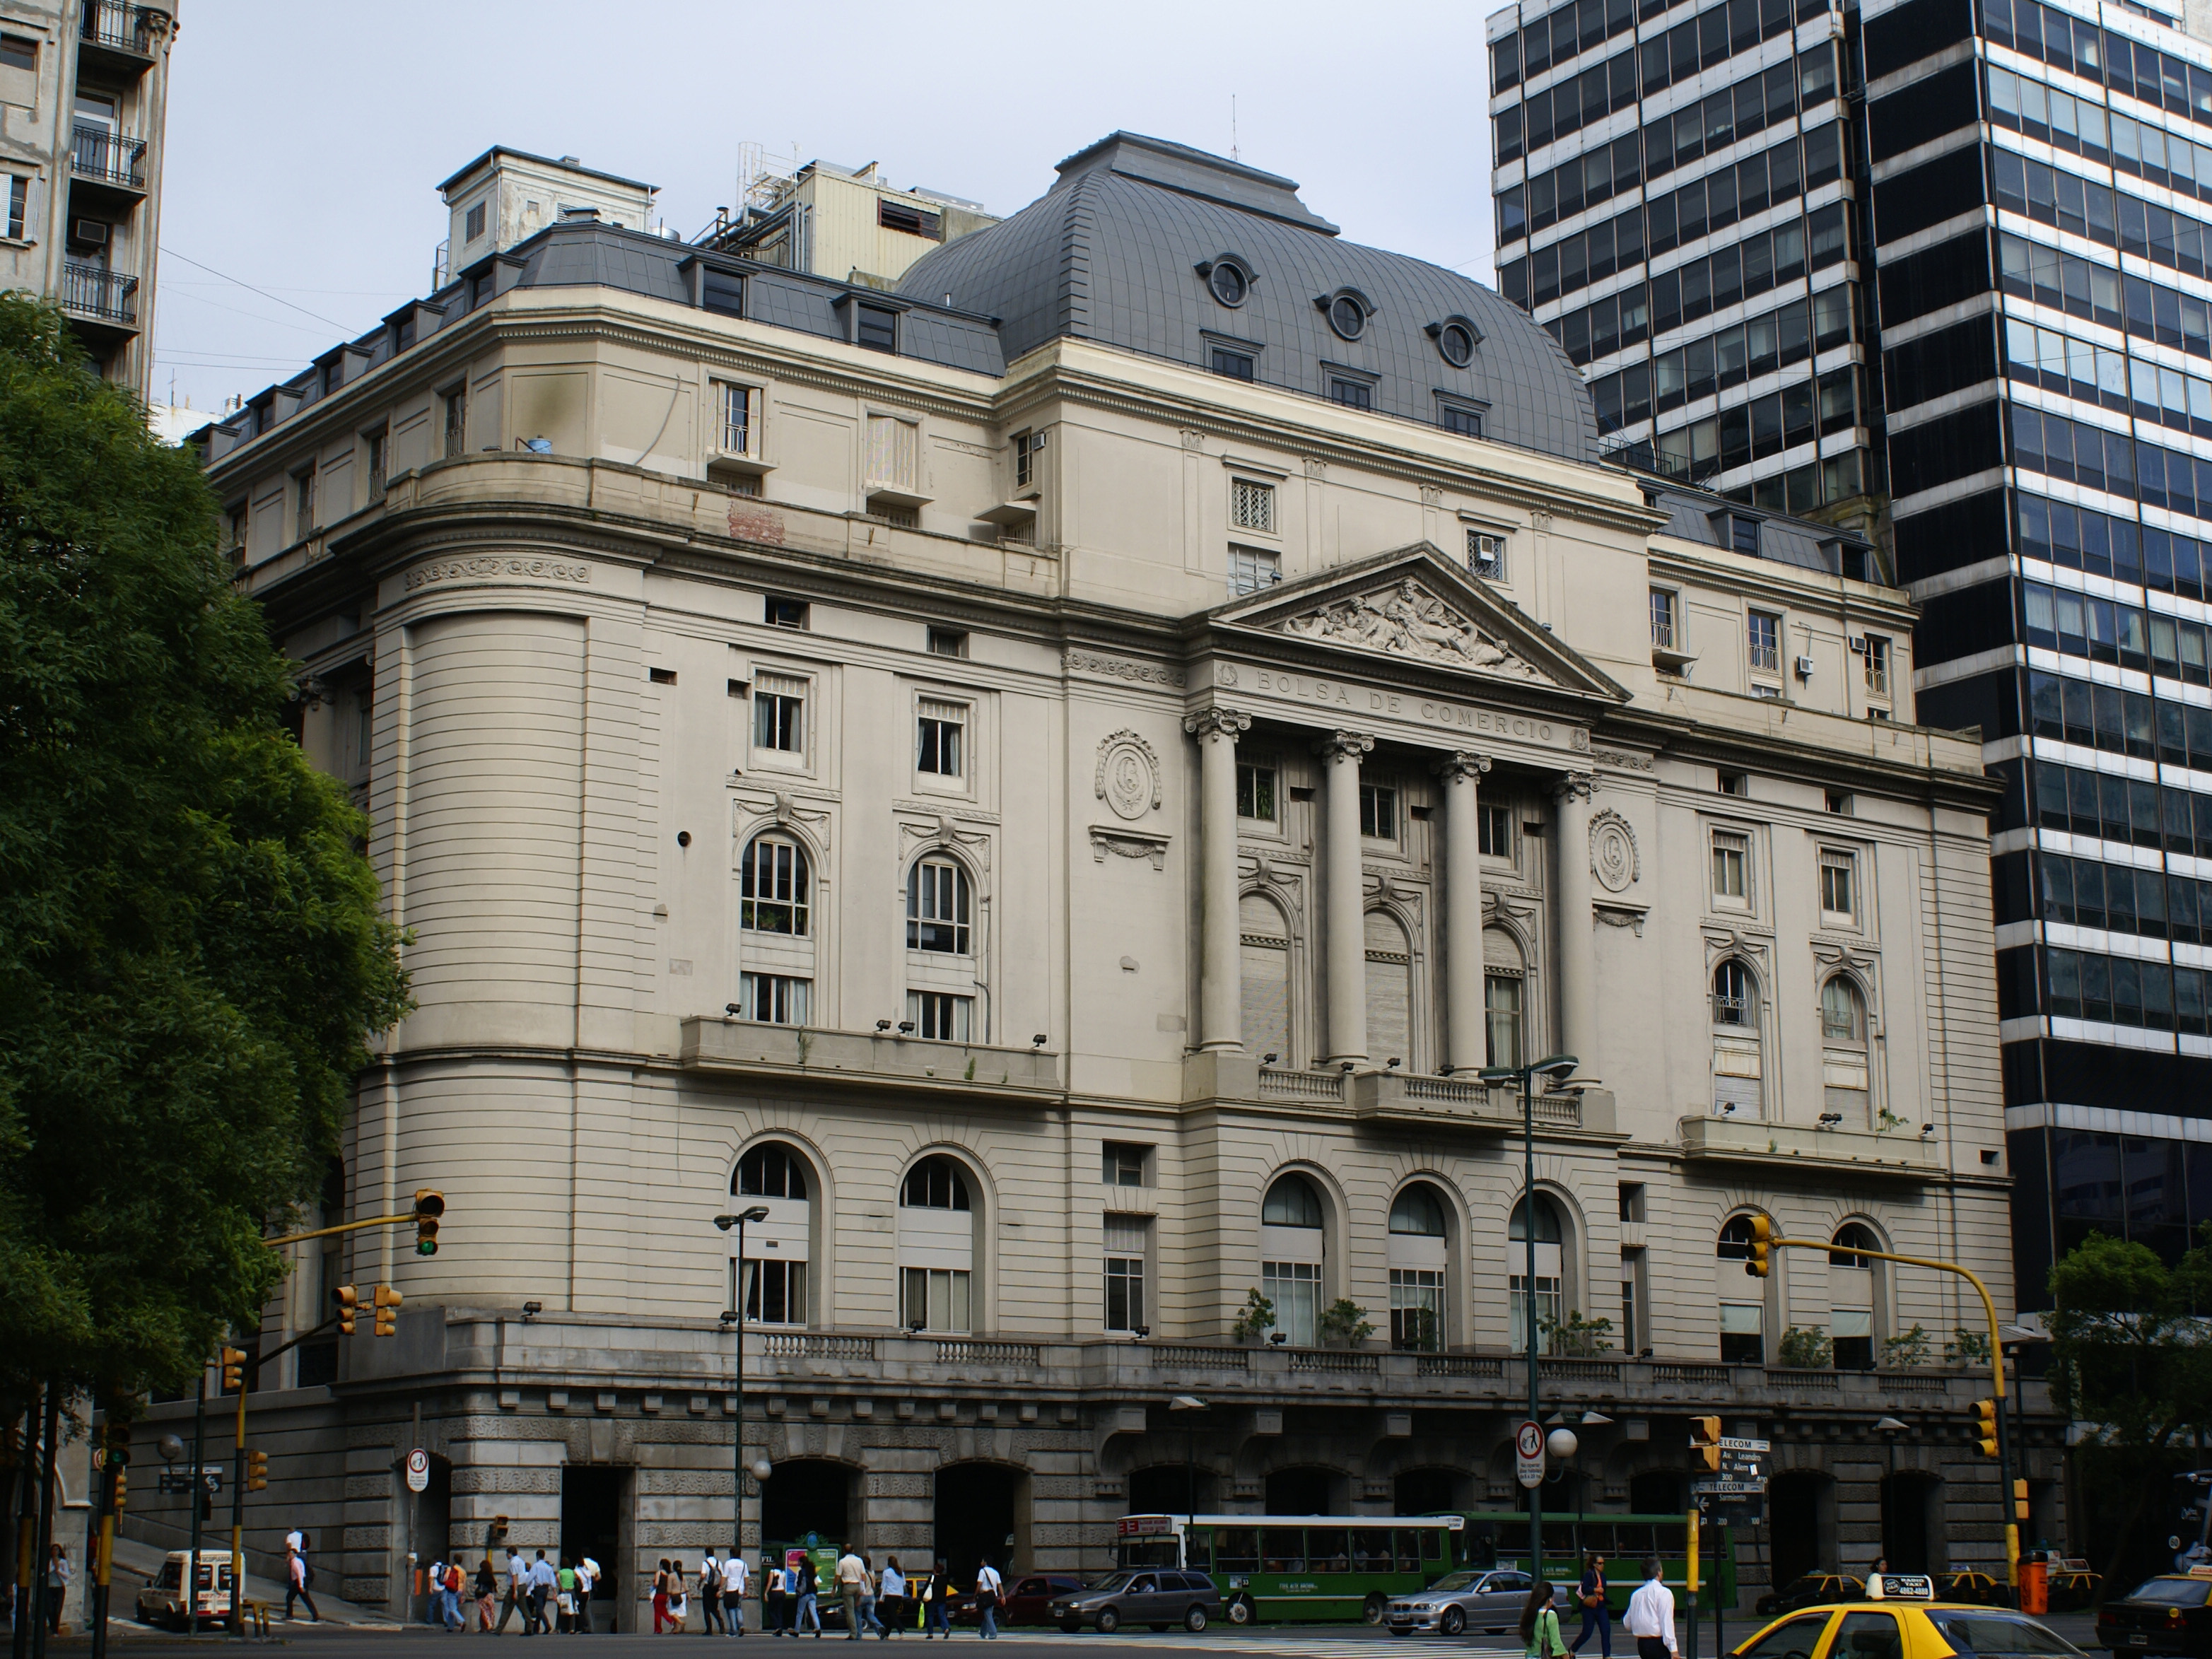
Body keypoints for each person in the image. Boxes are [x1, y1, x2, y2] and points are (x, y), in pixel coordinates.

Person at [1623, 1559, 1678, 1659]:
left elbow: (1627, 1624)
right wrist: (1673, 1650)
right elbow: (1666, 1623)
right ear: (1658, 1573)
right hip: (1659, 1644)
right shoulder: (1664, 1593)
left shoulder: (1636, 1594)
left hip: (1642, 1644)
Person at [1572, 1552, 1610, 1657]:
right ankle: (1572, 1649)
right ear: (1594, 1564)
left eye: (1603, 1563)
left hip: (1601, 1606)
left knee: (1606, 1630)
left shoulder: (1603, 1576)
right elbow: (1585, 1589)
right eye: (1600, 1563)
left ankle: (1607, 1656)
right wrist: (1596, 1589)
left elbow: (1604, 1590)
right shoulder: (1589, 1575)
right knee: (1587, 1632)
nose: (1602, 1565)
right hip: (1589, 1607)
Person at [1521, 1581, 1567, 1659]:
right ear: (1549, 1599)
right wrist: (1566, 1656)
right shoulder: (1550, 1615)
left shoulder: (1529, 1614)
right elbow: (1556, 1643)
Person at [286, 1542, 320, 1624]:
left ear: (293, 1554)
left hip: (298, 1583)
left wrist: (300, 1585)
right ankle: (315, 1615)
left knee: (290, 1598)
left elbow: (300, 1574)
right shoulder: (298, 1561)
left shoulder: (295, 1563)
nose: (289, 1555)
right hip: (300, 1582)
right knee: (306, 1599)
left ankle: (289, 1615)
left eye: (290, 1554)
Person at [498, 1549, 527, 1635]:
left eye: (507, 1553)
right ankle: (529, 1626)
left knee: (506, 1607)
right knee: (523, 1608)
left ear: (510, 1554)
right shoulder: (521, 1561)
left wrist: (515, 1591)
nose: (506, 1555)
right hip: (523, 1586)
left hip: (515, 1587)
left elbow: (515, 1576)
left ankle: (499, 1629)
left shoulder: (513, 1563)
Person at [530, 1551, 558, 1636]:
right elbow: (553, 1581)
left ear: (537, 1556)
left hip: (538, 1588)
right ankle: (536, 1628)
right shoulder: (548, 1567)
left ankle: (547, 1625)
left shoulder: (535, 1566)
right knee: (541, 1608)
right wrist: (554, 1592)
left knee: (539, 1609)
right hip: (546, 1589)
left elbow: (530, 1577)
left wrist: (526, 1587)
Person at [44, 1544, 70, 1635]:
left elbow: (67, 1575)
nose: (55, 1552)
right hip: (50, 1588)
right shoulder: (49, 1562)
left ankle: (55, 1630)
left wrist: (58, 1570)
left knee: (57, 1610)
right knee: (50, 1609)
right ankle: (52, 1626)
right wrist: (53, 1566)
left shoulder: (63, 1562)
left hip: (59, 1588)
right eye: (53, 1550)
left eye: (57, 1550)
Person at [973, 1560, 1002, 1641]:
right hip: (993, 1596)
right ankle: (983, 1632)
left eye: (982, 1561)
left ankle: (993, 1633)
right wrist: (1003, 1596)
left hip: (985, 1596)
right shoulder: (995, 1572)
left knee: (988, 1615)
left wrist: (976, 1594)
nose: (981, 1562)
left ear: (985, 1562)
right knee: (987, 1614)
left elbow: (979, 1583)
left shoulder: (982, 1571)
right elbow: (999, 1585)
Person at [919, 1566, 949, 1641]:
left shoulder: (931, 1578)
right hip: (942, 1600)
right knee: (942, 1615)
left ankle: (930, 1633)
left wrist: (921, 1598)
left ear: (935, 1570)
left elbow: (926, 1588)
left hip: (932, 1600)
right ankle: (946, 1628)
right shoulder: (944, 1580)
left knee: (930, 1616)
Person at [723, 1549, 749, 1636]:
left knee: (731, 1609)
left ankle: (733, 1629)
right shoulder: (744, 1564)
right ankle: (741, 1625)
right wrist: (746, 1590)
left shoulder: (728, 1563)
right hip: (740, 1589)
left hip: (731, 1589)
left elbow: (724, 1577)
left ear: (731, 1554)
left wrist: (720, 1588)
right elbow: (746, 1578)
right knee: (738, 1607)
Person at [877, 1559, 904, 1640]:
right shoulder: (900, 1572)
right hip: (899, 1596)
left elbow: (884, 1585)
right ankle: (886, 1634)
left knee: (892, 1615)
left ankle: (901, 1629)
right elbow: (904, 1584)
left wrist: (881, 1597)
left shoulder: (887, 1572)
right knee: (890, 1615)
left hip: (890, 1595)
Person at [795, 1558, 821, 1639]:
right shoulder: (812, 1571)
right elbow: (818, 1581)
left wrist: (798, 1590)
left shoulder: (802, 1572)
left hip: (804, 1594)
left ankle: (797, 1630)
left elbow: (799, 1583)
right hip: (813, 1593)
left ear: (802, 1563)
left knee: (800, 1613)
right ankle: (818, 1628)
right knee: (813, 1612)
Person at [765, 1559, 788, 1637]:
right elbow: (784, 1584)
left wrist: (766, 1592)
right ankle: (780, 1626)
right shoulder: (783, 1573)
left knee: (771, 1610)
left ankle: (776, 1626)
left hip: (775, 1592)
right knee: (779, 1611)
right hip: (782, 1592)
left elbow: (770, 1582)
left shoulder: (773, 1571)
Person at [701, 1555, 724, 1636]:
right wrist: (720, 1588)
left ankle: (709, 1629)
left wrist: (700, 1582)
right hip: (716, 1588)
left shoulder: (705, 1563)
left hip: (707, 1587)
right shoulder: (719, 1563)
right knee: (714, 1608)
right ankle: (720, 1622)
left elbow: (703, 1575)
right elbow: (722, 1576)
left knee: (706, 1609)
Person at [575, 1555, 598, 1634]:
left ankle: (582, 1628)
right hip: (586, 1593)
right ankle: (590, 1627)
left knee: (579, 1611)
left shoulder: (576, 1571)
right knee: (586, 1610)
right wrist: (589, 1594)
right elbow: (590, 1584)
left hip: (580, 1592)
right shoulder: (588, 1572)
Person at [476, 1556, 499, 1632]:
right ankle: (491, 1625)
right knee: (491, 1611)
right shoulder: (490, 1574)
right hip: (490, 1594)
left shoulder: (480, 1574)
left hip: (482, 1595)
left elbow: (477, 1583)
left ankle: (485, 1626)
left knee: (484, 1611)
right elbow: (494, 1584)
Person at [445, 1558, 467, 1631]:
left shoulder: (450, 1569)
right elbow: (464, 1584)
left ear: (454, 1561)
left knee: (452, 1608)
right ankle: (450, 1627)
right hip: (460, 1591)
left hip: (452, 1590)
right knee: (452, 1607)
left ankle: (462, 1621)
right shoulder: (463, 1571)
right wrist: (463, 1595)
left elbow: (445, 1578)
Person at [557, 1559, 578, 1634]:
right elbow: (576, 1578)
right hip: (571, 1591)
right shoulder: (572, 1572)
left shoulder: (561, 1572)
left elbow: (557, 1577)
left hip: (563, 1591)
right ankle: (572, 1628)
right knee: (572, 1610)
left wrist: (560, 1586)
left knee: (561, 1609)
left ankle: (560, 1628)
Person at [669, 1562, 691, 1635]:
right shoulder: (683, 1576)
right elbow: (686, 1587)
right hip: (683, 1595)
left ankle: (681, 1623)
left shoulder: (671, 1576)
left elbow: (669, 1588)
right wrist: (689, 1597)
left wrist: (667, 1596)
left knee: (671, 1613)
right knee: (678, 1613)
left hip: (674, 1595)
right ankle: (676, 1628)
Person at [655, 1561, 674, 1635]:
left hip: (659, 1594)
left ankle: (658, 1629)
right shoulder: (669, 1575)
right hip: (665, 1595)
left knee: (657, 1613)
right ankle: (671, 1621)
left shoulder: (659, 1573)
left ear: (661, 1565)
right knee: (663, 1611)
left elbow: (656, 1583)